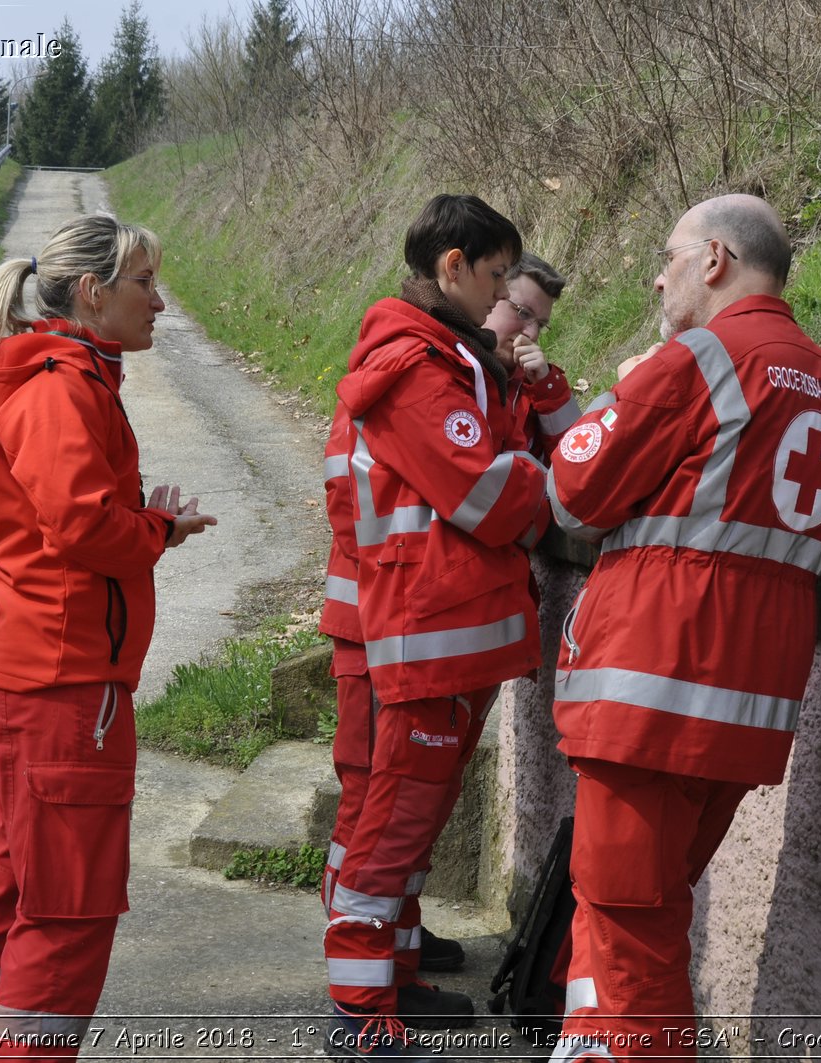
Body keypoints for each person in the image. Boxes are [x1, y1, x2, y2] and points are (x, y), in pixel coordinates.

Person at [544, 194, 821, 1061]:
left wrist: (623, 387)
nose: (656, 272)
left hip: (646, 696)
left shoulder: (693, 362)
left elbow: (571, 488)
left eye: (668, 255)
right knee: (638, 907)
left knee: (631, 931)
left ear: (713, 261)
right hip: (746, 715)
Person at [0, 213, 216, 1060]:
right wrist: (157, 529)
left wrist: (145, 524)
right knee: (69, 912)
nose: (160, 303)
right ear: (92, 294)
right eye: (145, 284)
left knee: (14, 879)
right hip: (67, 686)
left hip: (40, 673)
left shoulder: (65, 377)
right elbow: (87, 528)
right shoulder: (63, 389)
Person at [320, 194, 550, 1061]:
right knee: (389, 827)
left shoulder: (440, 358)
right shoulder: (419, 370)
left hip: (431, 631)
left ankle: (393, 972)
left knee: (402, 822)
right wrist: (544, 484)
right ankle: (359, 1009)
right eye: (497, 277)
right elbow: (485, 493)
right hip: (424, 633)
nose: (503, 297)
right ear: (452, 266)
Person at [480, 252, 582, 461]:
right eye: (523, 313)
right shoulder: (446, 364)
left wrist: (548, 390)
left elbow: (576, 462)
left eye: (541, 325)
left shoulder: (533, 385)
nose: (533, 334)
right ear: (491, 295)